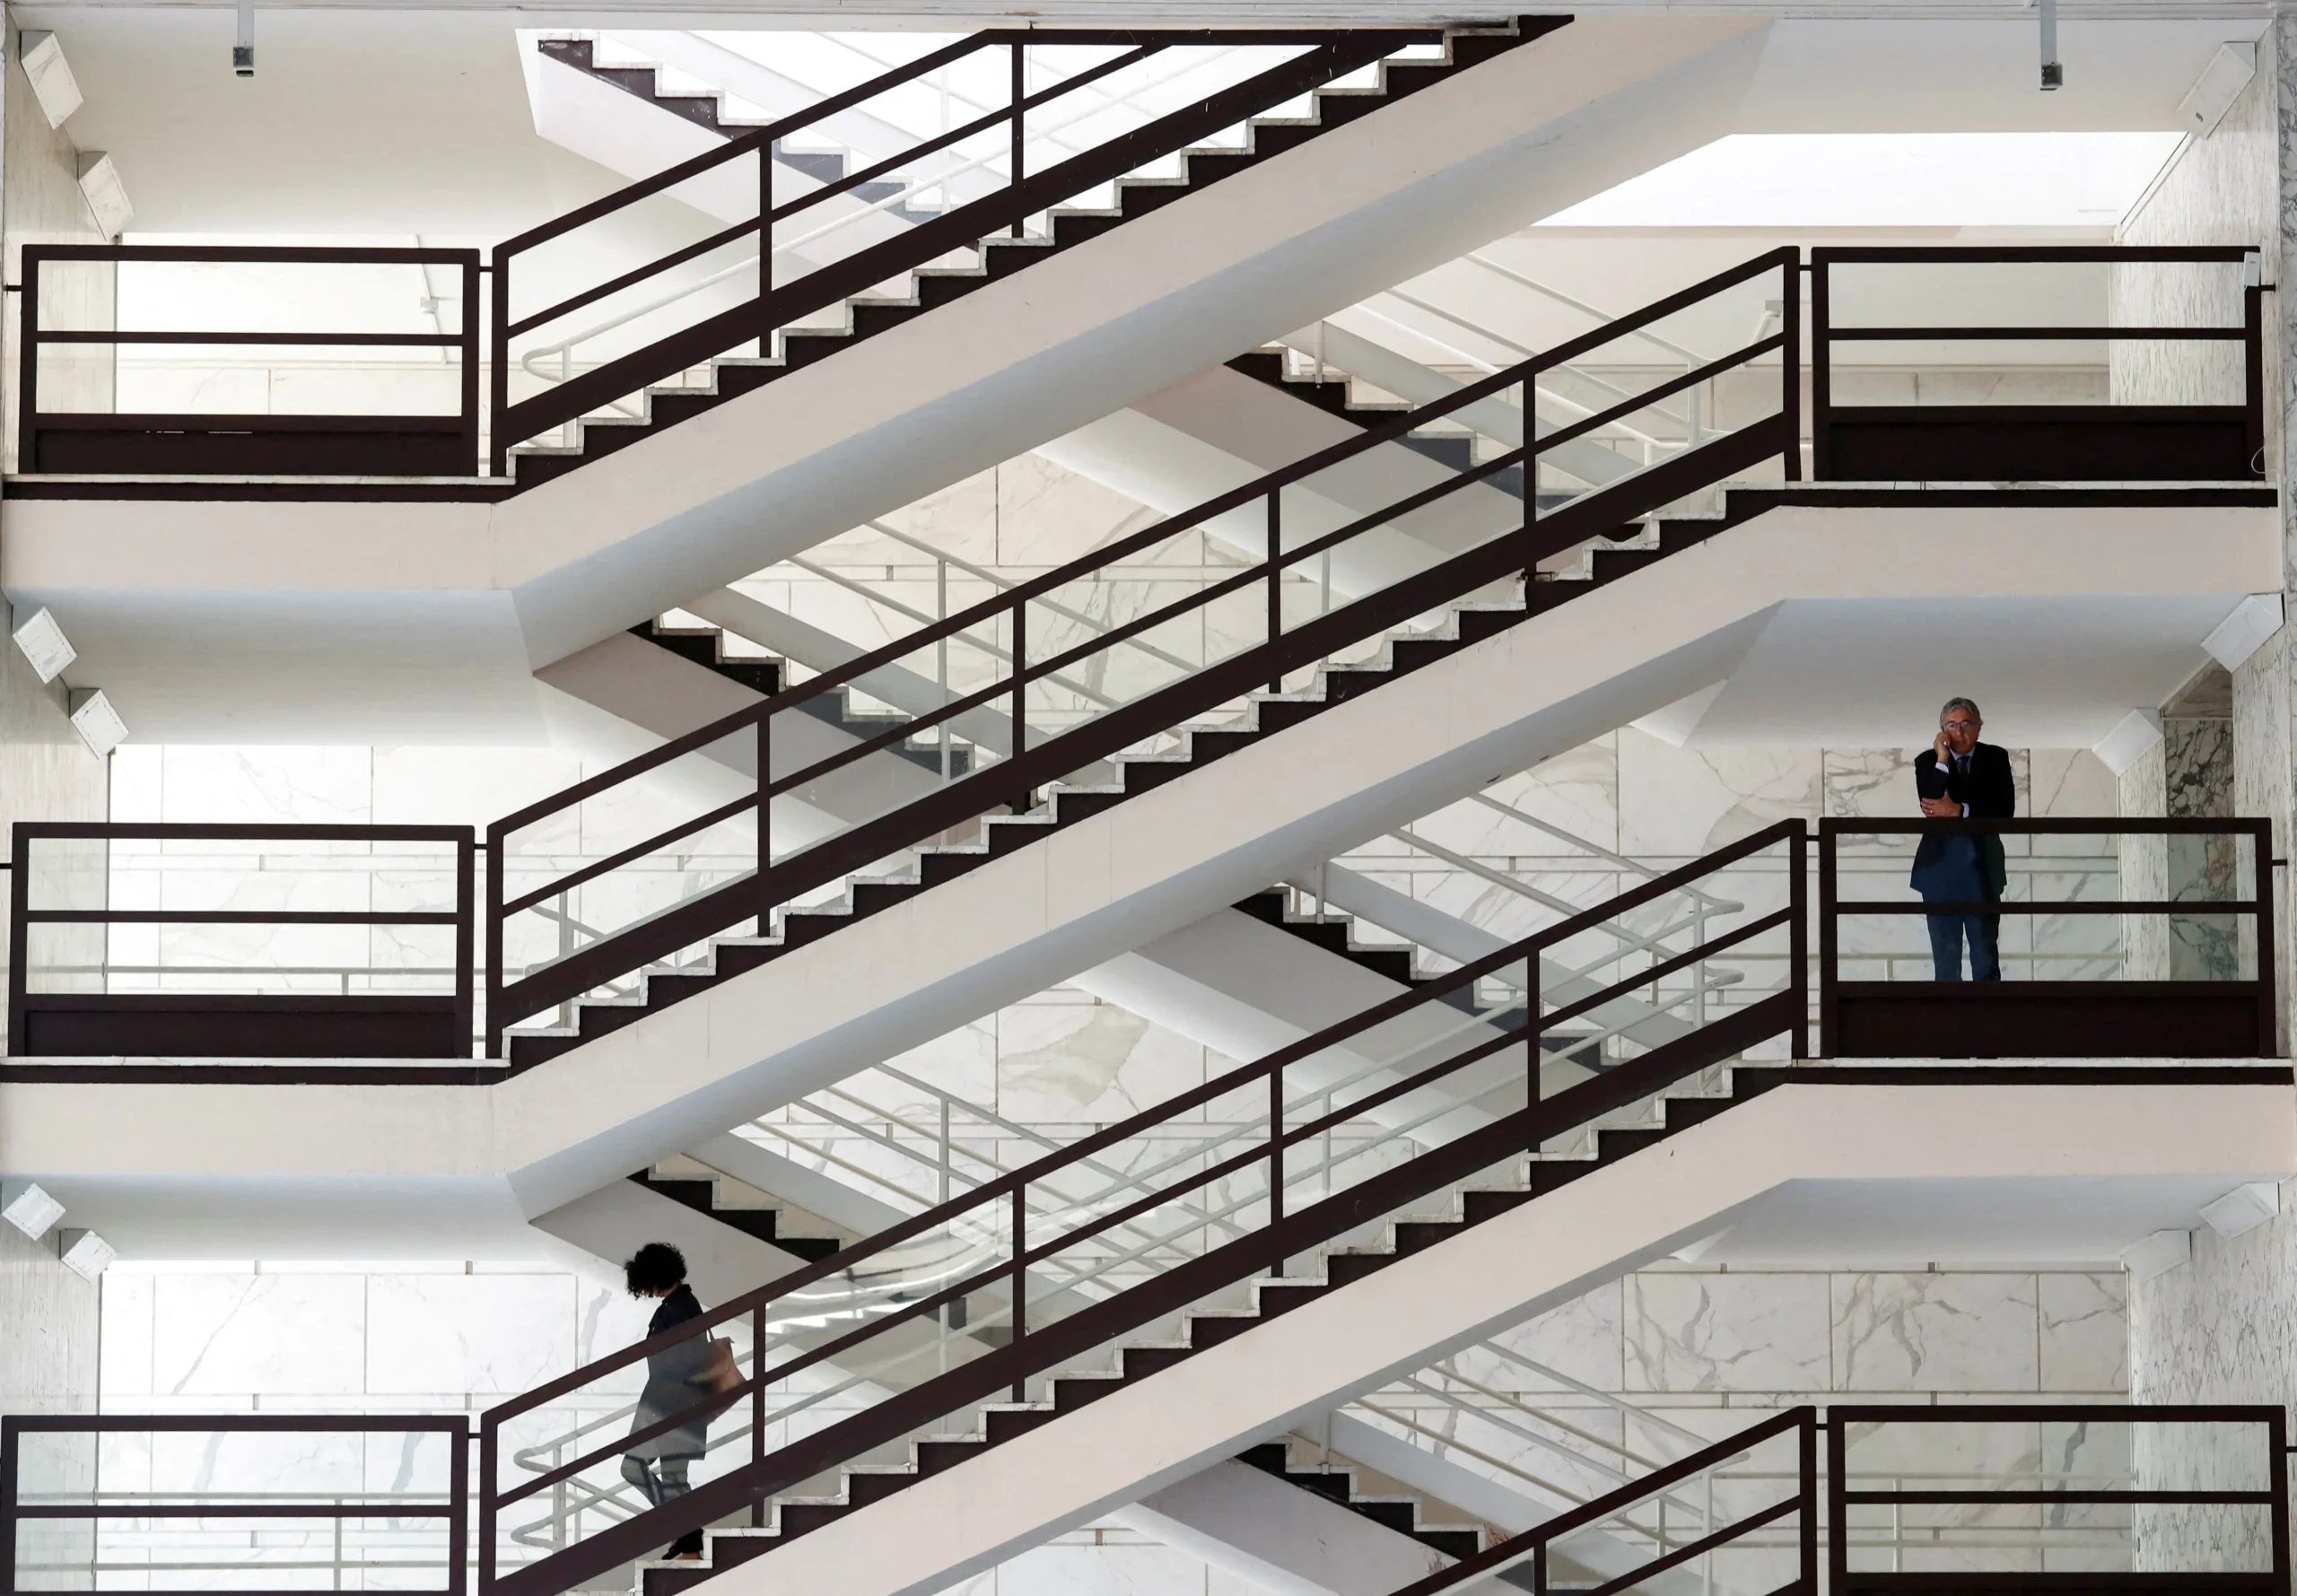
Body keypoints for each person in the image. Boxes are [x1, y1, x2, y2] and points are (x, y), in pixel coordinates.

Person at [1911, 696, 2014, 981]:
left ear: (1979, 727)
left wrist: (1960, 810)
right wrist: (1942, 759)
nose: (1959, 731)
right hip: (1939, 870)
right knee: (1945, 958)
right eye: (1951, 725)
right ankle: (1947, 1010)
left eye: (1966, 723)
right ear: (1942, 730)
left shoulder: (1995, 758)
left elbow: (2004, 811)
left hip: (1982, 868)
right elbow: (1931, 805)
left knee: (1985, 953)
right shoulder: (1928, 761)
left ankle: (1988, 1009)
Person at [621, 1243, 711, 1559]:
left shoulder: (679, 1309)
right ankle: (685, 1536)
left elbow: (681, 1362)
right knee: (666, 1475)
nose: (646, 1291)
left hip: (672, 1405)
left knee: (641, 1470)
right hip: (673, 1404)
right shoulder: (678, 1305)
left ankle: (689, 1538)